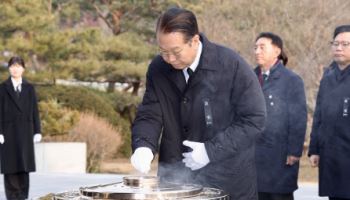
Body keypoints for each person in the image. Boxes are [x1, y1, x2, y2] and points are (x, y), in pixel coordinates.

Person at [130, 7, 266, 200]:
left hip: (228, 181)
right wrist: (143, 145)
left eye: (175, 51)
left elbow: (254, 120)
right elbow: (150, 112)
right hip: (175, 182)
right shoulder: (158, 69)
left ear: (194, 40)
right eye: (163, 51)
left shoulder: (231, 65)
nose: (169, 59)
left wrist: (210, 151)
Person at [253, 32, 307, 200]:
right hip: (254, 152)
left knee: (278, 194)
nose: (257, 51)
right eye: (255, 48)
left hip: (280, 153)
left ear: (277, 51)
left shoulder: (291, 80)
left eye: (262, 47)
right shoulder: (249, 77)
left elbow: (298, 117)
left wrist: (294, 150)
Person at [309, 25, 350, 200]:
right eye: (335, 43)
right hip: (331, 155)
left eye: (345, 44)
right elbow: (318, 115)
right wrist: (314, 149)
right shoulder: (328, 76)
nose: (339, 47)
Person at [0, 56, 42, 200]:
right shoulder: (3, 88)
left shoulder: (29, 88)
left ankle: (23, 196)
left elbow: (34, 110)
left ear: (23, 69)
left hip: (25, 131)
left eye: (18, 66)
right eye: (12, 66)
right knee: (10, 166)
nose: (15, 69)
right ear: (9, 68)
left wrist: (37, 131)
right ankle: (12, 196)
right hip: (8, 132)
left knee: (24, 165)